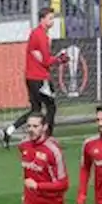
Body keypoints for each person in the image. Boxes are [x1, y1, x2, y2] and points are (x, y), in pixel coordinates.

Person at [5, 8, 68, 147]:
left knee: (36, 110)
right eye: (50, 18)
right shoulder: (41, 36)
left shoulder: (35, 34)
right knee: (51, 107)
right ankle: (48, 139)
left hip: (30, 77)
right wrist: (60, 59)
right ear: (42, 19)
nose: (52, 21)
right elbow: (46, 61)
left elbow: (40, 58)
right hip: (40, 78)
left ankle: (10, 129)